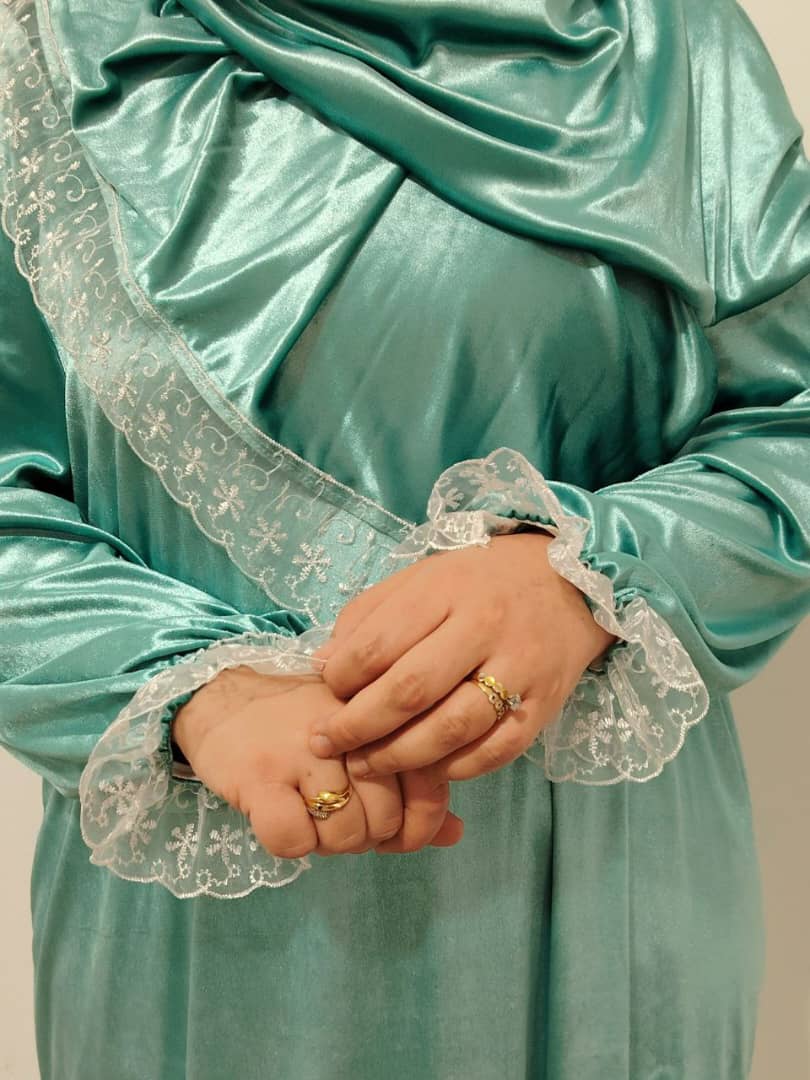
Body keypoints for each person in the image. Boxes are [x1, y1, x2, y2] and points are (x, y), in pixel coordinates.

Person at [0, 0, 808, 1076]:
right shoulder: (51, 59)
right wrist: (197, 696)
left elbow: (793, 415)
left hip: (594, 896)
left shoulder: (664, 43)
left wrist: (579, 579)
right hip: (201, 900)